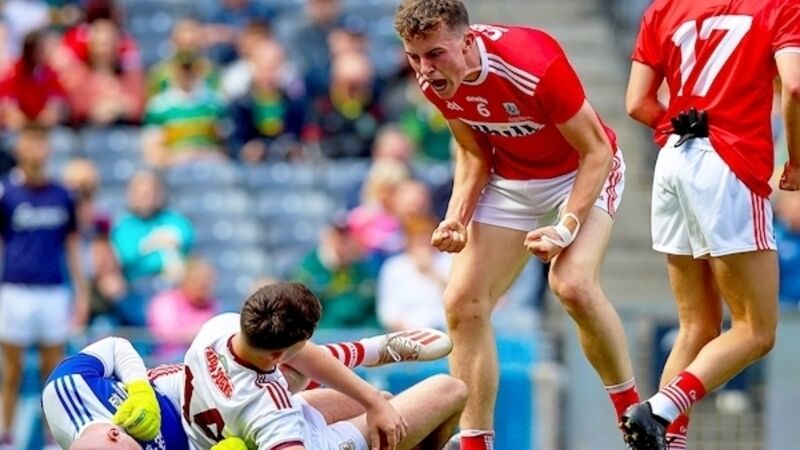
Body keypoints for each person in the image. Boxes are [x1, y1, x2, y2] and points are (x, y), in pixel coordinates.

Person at [394, 1, 635, 448]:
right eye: (414, 57)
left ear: (467, 42)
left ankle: (633, 412)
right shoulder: (435, 79)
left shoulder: (533, 63)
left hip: (579, 170)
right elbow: (473, 153)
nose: (425, 70)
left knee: (571, 284)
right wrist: (456, 218)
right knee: (462, 302)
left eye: (435, 54)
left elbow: (596, 151)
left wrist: (565, 227)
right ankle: (476, 442)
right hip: (511, 177)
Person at [622, 0, 800, 448]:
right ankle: (659, 409)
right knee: (755, 331)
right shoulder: (780, 6)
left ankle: (668, 441)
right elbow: (795, 87)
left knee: (696, 327)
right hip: (730, 165)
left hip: (674, 159)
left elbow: (637, 103)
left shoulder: (663, 8)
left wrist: (680, 123)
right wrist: (796, 161)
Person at [43, 329, 456, 449]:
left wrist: (137, 390)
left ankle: (368, 352)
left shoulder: (65, 393)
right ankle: (368, 359)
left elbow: (116, 347)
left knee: (381, 402)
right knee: (445, 392)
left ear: (114, 434)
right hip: (237, 435)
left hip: (189, 392)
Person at [181, 282, 466, 450]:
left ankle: (371, 353)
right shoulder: (272, 412)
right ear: (277, 356)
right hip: (313, 443)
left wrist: (374, 401)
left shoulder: (218, 329)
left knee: (385, 403)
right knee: (450, 389)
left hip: (234, 428)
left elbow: (301, 356)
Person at [0, 124, 89, 449]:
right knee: (11, 371)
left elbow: (73, 248)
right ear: (19, 149)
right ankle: (6, 438)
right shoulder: (7, 194)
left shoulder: (63, 196)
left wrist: (81, 293)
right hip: (15, 291)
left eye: (41, 143)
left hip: (53, 291)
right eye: (30, 143)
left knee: (53, 373)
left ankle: (54, 440)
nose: (36, 150)